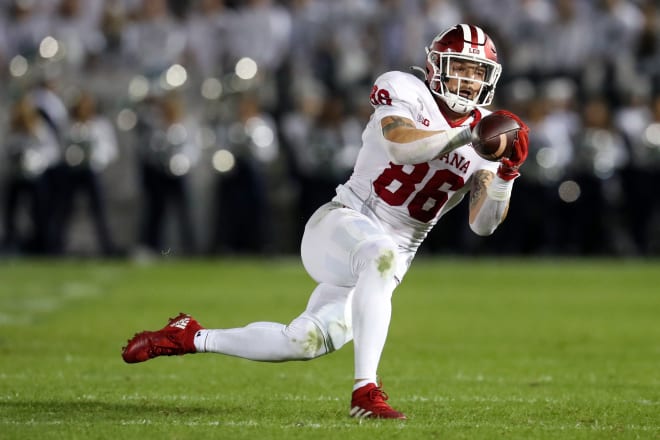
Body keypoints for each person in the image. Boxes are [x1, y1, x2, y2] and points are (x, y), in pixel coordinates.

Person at [121, 24, 529, 420]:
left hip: (387, 262)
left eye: (478, 72)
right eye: (459, 67)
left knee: (303, 340)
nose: (468, 80)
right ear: (436, 65)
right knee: (380, 254)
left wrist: (507, 175)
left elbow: (482, 225)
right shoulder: (406, 89)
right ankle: (365, 390)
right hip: (340, 225)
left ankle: (189, 335)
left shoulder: (486, 137)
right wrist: (464, 137)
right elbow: (401, 147)